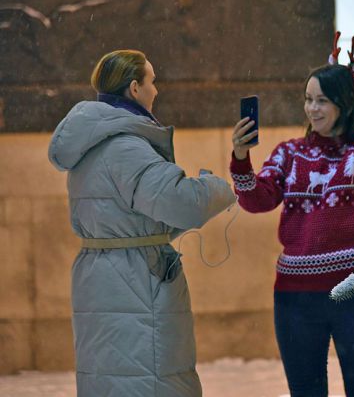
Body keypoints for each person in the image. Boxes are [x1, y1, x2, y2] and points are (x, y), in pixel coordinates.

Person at [48, 49, 236, 397]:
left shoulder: (91, 146)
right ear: (134, 89)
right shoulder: (125, 147)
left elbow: (133, 220)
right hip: (136, 279)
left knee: (110, 380)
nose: (156, 89)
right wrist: (215, 188)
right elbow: (183, 204)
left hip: (102, 276)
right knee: (148, 381)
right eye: (152, 81)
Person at [230, 45, 354, 397]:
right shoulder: (289, 153)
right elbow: (256, 200)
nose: (312, 108)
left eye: (322, 100)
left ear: (345, 103)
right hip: (296, 298)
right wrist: (240, 158)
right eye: (308, 99)